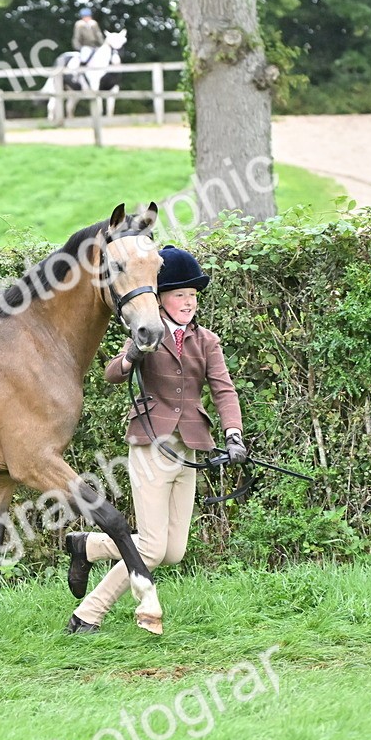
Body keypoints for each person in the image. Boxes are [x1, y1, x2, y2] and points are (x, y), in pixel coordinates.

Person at [64, 245, 249, 633]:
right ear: (161, 298)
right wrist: (133, 352)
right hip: (150, 443)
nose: (189, 302)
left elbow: (224, 391)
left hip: (191, 449)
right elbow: (114, 374)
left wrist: (234, 436)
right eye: (181, 294)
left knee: (174, 551)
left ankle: (88, 546)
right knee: (150, 547)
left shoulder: (207, 341)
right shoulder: (147, 332)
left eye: (193, 295)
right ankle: (88, 614)